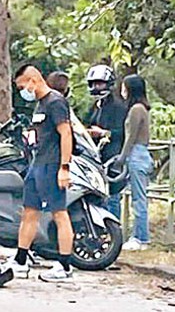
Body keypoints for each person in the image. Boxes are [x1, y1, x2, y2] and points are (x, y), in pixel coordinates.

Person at [9, 65, 75, 282]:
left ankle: (64, 266)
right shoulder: (40, 105)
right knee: (29, 212)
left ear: (32, 81)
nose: (22, 91)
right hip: (37, 164)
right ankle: (20, 259)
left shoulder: (56, 102)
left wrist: (64, 167)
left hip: (52, 165)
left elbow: (66, 134)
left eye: (21, 86)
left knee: (59, 213)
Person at [114, 74, 153, 251]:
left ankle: (141, 238)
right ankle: (137, 235)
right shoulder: (139, 108)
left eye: (124, 88)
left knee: (139, 199)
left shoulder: (137, 109)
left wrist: (122, 156)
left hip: (137, 153)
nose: (122, 91)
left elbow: (131, 137)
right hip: (137, 153)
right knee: (136, 197)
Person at [85, 64, 128, 218]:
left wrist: (103, 133)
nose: (96, 87)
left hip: (112, 157)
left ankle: (113, 229)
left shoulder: (118, 106)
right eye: (94, 84)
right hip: (97, 156)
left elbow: (122, 132)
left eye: (100, 83)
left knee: (113, 196)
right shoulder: (96, 106)